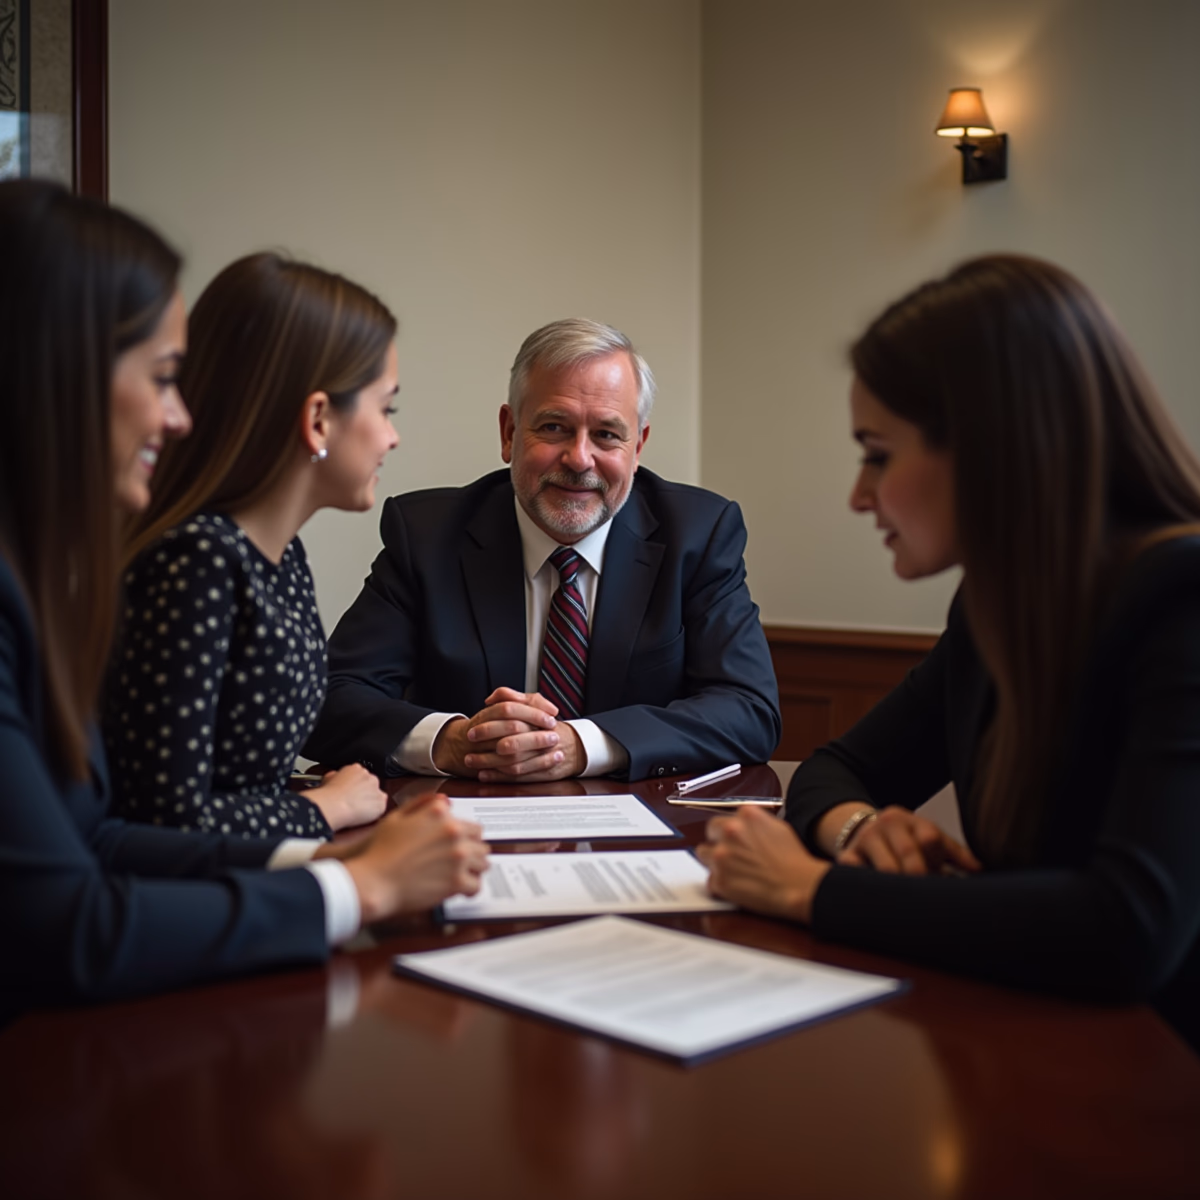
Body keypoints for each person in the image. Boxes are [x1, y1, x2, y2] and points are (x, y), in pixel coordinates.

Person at [0, 179, 487, 1021]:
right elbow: (75, 915)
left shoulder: (39, 584)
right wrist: (349, 873)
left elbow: (97, 841)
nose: (178, 416)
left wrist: (334, 858)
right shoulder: (186, 562)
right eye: (160, 377)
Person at [699, 254, 1200, 1054]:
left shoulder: (1182, 600)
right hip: (1041, 1059)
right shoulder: (996, 606)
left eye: (877, 452)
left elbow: (1127, 928)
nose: (859, 496)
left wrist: (814, 892)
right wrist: (858, 830)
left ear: (992, 445)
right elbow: (836, 766)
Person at [305, 318, 781, 783]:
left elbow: (749, 709)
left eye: (607, 435)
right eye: (554, 427)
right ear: (509, 432)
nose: (578, 459)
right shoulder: (428, 536)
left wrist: (581, 745)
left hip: (639, 835)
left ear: (638, 447)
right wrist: (451, 741)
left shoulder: (698, 534)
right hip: (462, 832)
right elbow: (327, 700)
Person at [104, 253, 403, 838]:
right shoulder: (194, 563)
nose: (393, 435)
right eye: (387, 407)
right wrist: (325, 808)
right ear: (318, 419)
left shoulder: (282, 556)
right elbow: (163, 817)